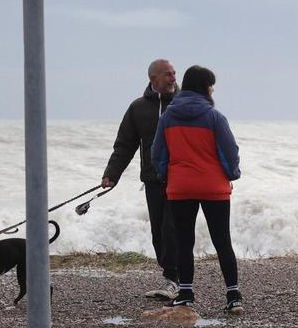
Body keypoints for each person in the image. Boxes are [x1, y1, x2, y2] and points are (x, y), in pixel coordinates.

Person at [150, 65, 243, 313]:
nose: (213, 89)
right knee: (222, 240)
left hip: (180, 187)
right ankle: (233, 295)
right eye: (212, 84)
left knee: (184, 241)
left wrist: (164, 176)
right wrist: (232, 174)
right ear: (205, 87)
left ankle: (186, 293)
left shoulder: (168, 117)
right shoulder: (215, 117)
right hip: (214, 187)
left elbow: (158, 152)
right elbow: (230, 151)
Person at [102, 58, 180, 300]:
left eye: (174, 73)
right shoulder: (138, 108)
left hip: (181, 179)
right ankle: (171, 278)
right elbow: (125, 144)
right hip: (153, 180)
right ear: (153, 79)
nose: (173, 78)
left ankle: (176, 280)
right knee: (158, 232)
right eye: (167, 74)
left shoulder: (184, 104)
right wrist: (111, 174)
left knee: (172, 229)